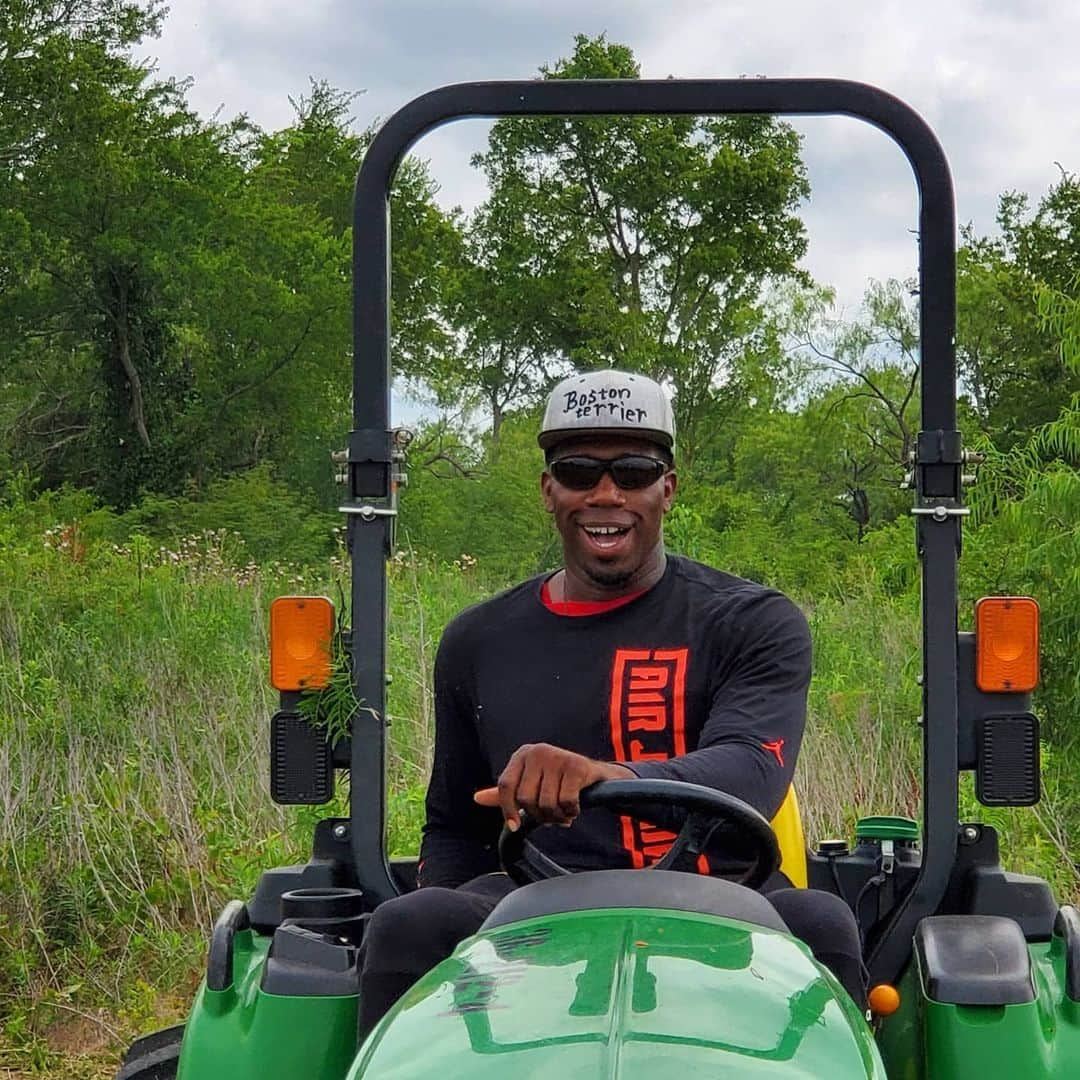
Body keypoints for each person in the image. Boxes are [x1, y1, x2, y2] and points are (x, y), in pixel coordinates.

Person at [357, 370, 863, 1039]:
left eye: (631, 471)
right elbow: (454, 825)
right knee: (405, 926)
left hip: (714, 903)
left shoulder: (751, 623)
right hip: (532, 902)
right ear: (549, 490)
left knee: (824, 925)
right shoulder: (478, 641)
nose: (605, 494)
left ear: (667, 489)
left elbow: (751, 769)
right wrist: (447, 917)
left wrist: (609, 777)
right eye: (577, 471)